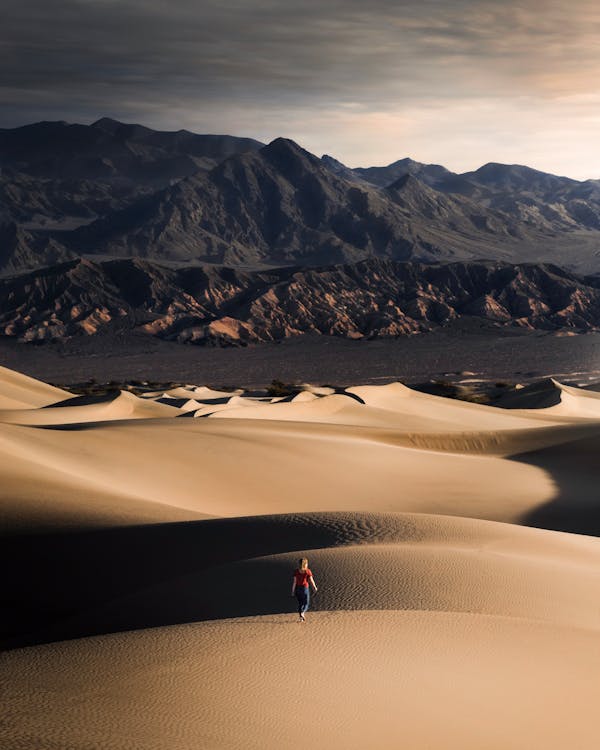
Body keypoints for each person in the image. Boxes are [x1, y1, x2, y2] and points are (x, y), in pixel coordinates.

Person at [291, 557, 318, 622]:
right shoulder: (308, 571)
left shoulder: (296, 571)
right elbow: (311, 581)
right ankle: (302, 613)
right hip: (304, 589)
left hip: (297, 589)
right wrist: (314, 587)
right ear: (305, 564)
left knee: (300, 603)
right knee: (306, 603)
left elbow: (294, 582)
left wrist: (293, 591)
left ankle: (301, 618)